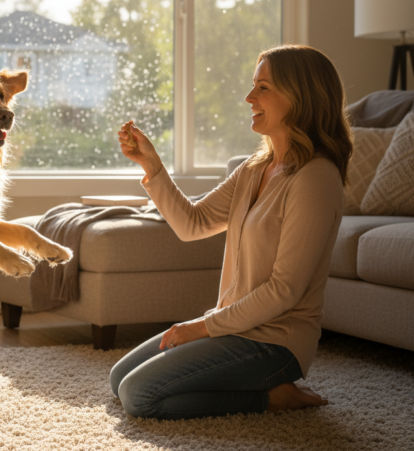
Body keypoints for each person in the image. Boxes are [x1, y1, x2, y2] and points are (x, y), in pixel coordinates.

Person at [111, 44, 353, 420]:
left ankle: (273, 397)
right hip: (236, 327)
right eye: (253, 85)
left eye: (263, 87)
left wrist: (201, 327)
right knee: (118, 379)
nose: (249, 97)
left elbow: (284, 291)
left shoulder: (316, 179)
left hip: (275, 342)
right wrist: (152, 166)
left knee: (139, 396)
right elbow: (192, 224)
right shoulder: (254, 169)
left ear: (300, 97)